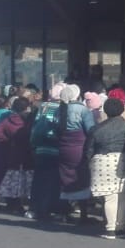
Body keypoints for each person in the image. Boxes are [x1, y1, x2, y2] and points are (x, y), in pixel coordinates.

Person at [86, 97, 125, 238]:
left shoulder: (96, 129)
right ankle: (121, 227)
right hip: (122, 160)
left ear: (106, 111)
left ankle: (110, 228)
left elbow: (89, 149)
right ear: (122, 109)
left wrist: (88, 162)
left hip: (101, 160)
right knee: (123, 196)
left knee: (109, 197)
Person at [0, 97, 33, 214]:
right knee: (23, 180)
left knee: (12, 180)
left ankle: (11, 204)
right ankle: (20, 204)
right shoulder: (28, 121)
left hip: (10, 154)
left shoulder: (7, 120)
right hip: (25, 155)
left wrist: (7, 141)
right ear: (26, 108)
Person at [55, 85, 95, 224]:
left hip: (63, 148)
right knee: (81, 179)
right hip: (79, 148)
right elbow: (91, 130)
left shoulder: (59, 110)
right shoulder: (82, 110)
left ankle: (64, 212)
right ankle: (83, 214)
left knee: (64, 178)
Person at [28, 98, 62, 222]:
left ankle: (35, 208)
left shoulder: (44, 106)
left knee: (38, 180)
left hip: (40, 147)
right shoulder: (60, 108)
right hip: (54, 147)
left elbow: (35, 126)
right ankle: (48, 209)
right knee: (53, 181)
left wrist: (33, 145)